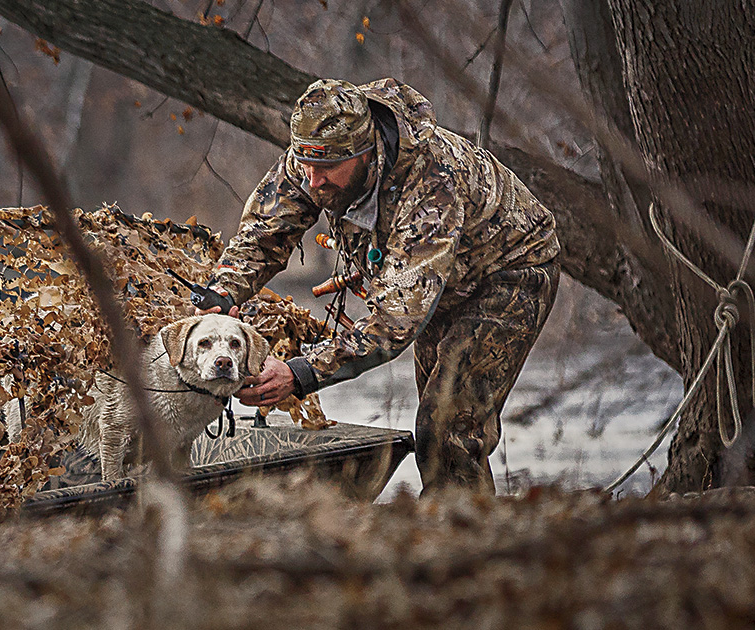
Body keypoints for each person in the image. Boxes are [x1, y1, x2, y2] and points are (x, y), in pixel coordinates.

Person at [199, 78, 560, 493]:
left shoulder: (432, 183)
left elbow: (394, 319)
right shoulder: (313, 154)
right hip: (432, 276)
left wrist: (300, 373)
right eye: (306, 166)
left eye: (328, 169)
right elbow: (264, 233)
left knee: (446, 428)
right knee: (436, 425)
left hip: (509, 270)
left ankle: (461, 542)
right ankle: (447, 533)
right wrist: (222, 293)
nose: (314, 182)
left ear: (367, 152)